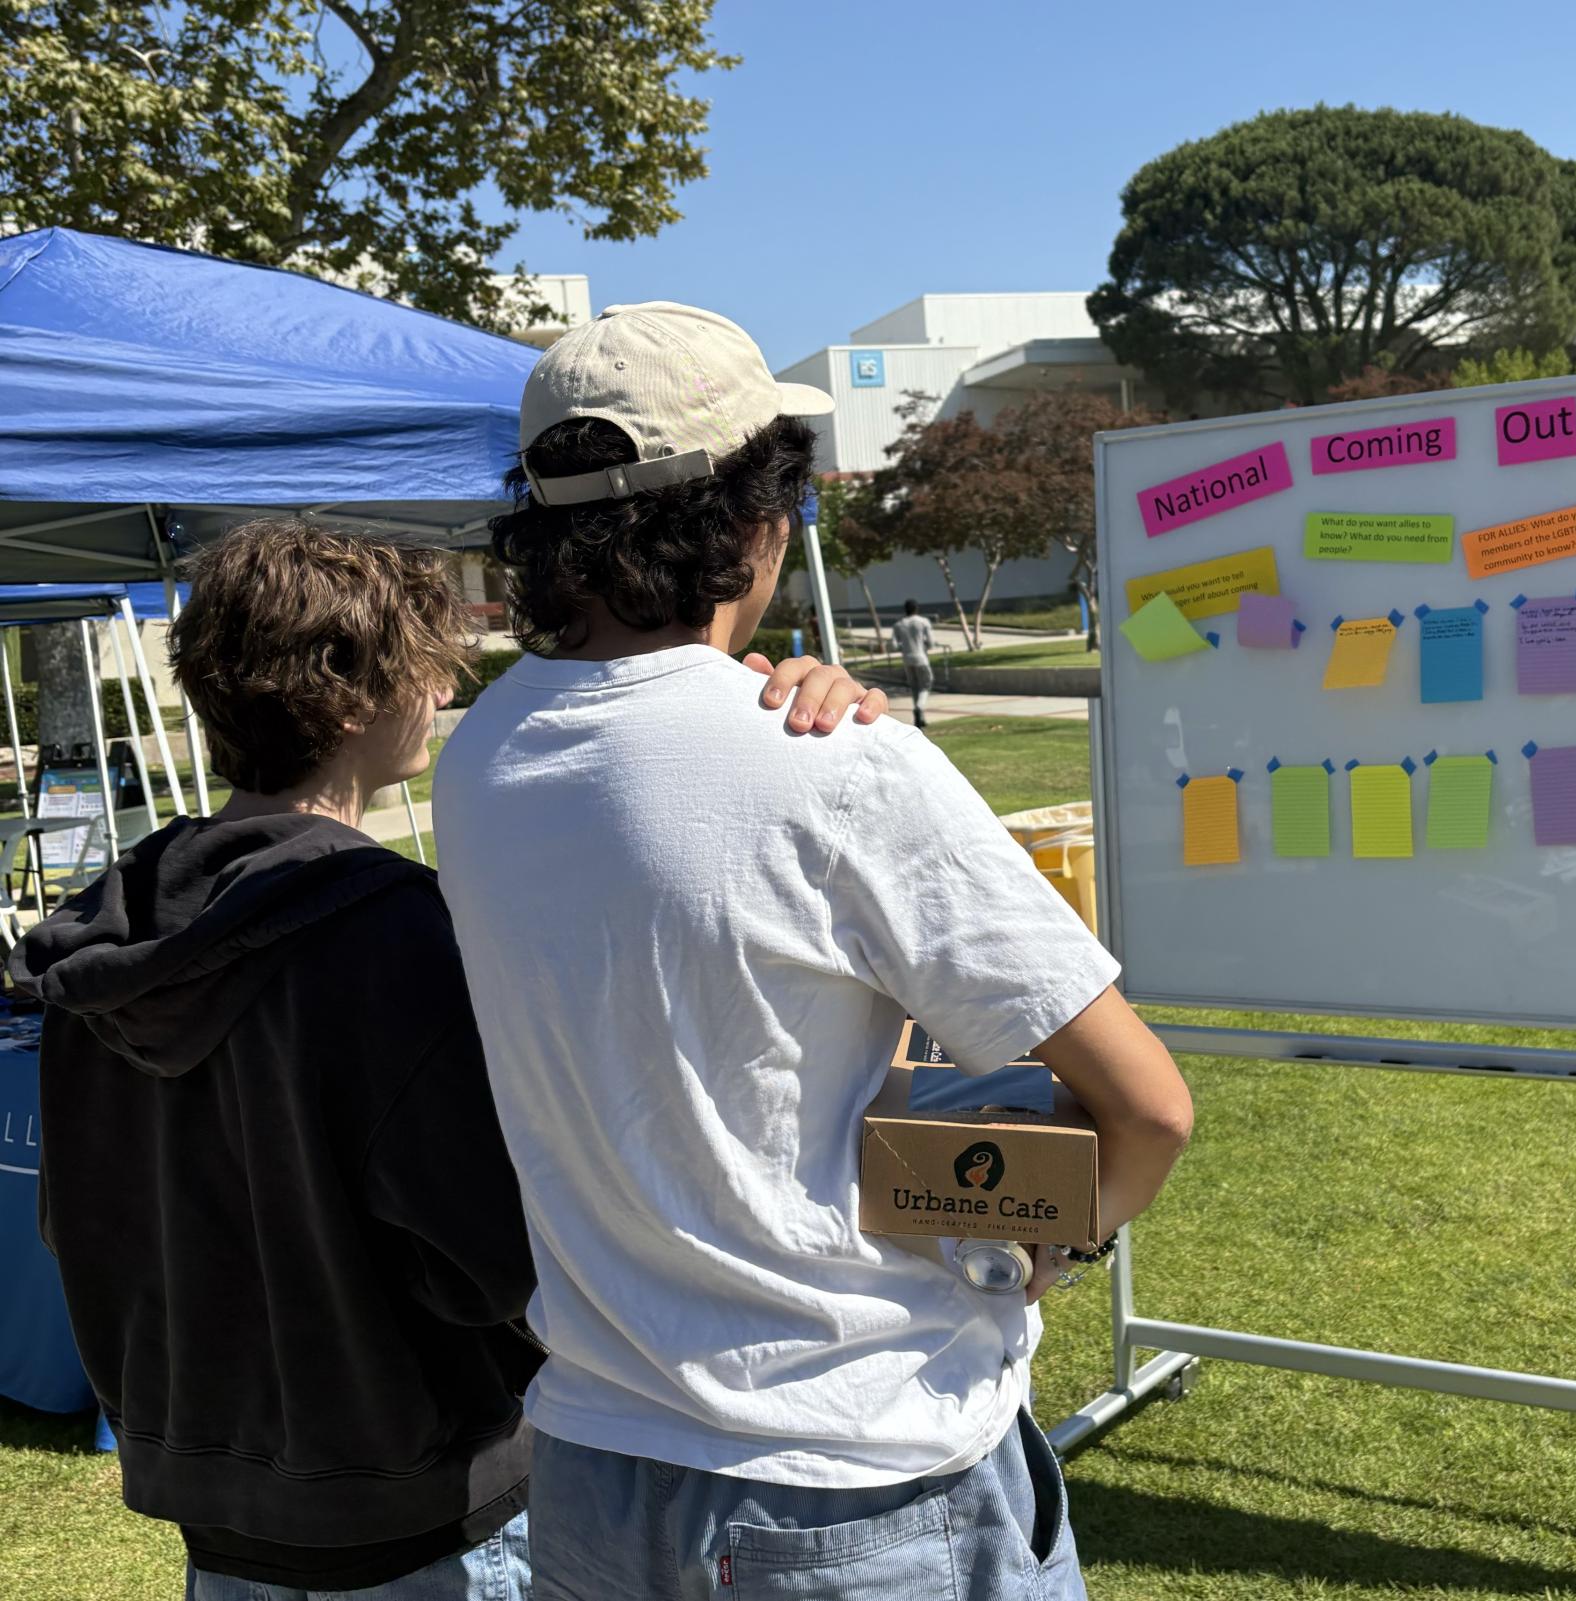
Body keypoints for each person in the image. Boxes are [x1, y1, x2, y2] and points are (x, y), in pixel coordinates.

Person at [433, 300, 1194, 1600]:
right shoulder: (836, 770)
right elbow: (1149, 1109)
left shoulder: (482, 762)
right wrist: (1042, 1256)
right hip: (858, 1481)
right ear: (754, 515)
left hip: (595, 1473)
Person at [12, 519, 884, 1599]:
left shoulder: (102, 944)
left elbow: (76, 1223)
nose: (437, 694)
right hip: (425, 1523)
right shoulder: (384, 939)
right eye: (420, 670)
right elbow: (504, 1255)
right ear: (348, 698)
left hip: (217, 1517)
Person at [893, 597, 936, 728]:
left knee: (915, 687)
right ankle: (919, 707)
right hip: (921, 658)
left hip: (907, 659)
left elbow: (894, 645)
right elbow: (931, 643)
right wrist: (925, 646)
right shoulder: (923, 622)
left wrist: (904, 647)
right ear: (917, 609)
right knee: (926, 685)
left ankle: (920, 718)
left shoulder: (899, 624)